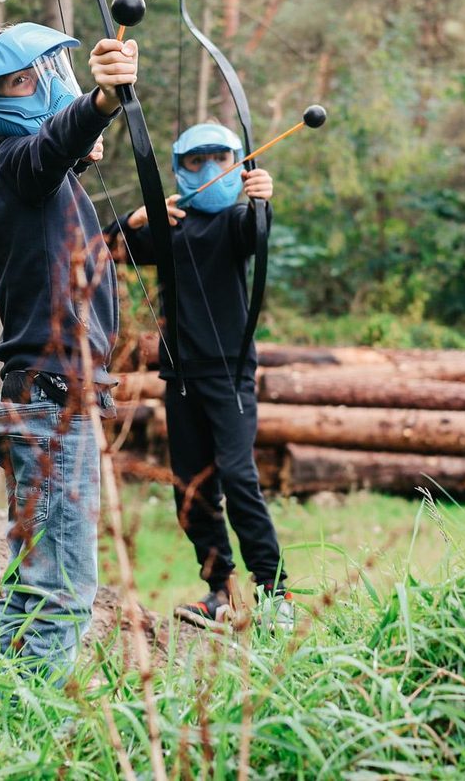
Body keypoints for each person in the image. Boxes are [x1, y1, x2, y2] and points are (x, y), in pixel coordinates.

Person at [0, 20, 137, 678]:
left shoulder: (41, 182)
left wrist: (127, 234)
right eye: (18, 80)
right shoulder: (1, 167)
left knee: (38, 587)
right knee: (59, 595)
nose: (39, 88)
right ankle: (33, 738)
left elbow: (70, 262)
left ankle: (1, 724)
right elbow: (41, 153)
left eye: (43, 73)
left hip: (52, 404)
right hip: (49, 407)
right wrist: (100, 104)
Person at [106, 122, 291, 631]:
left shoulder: (235, 222)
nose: (209, 170)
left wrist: (260, 200)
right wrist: (136, 219)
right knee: (190, 486)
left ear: (238, 163)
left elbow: (255, 233)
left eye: (221, 159)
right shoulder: (172, 227)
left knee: (237, 476)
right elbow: (106, 251)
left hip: (229, 374)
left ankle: (276, 594)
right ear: (177, 168)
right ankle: (219, 592)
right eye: (195, 161)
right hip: (180, 376)